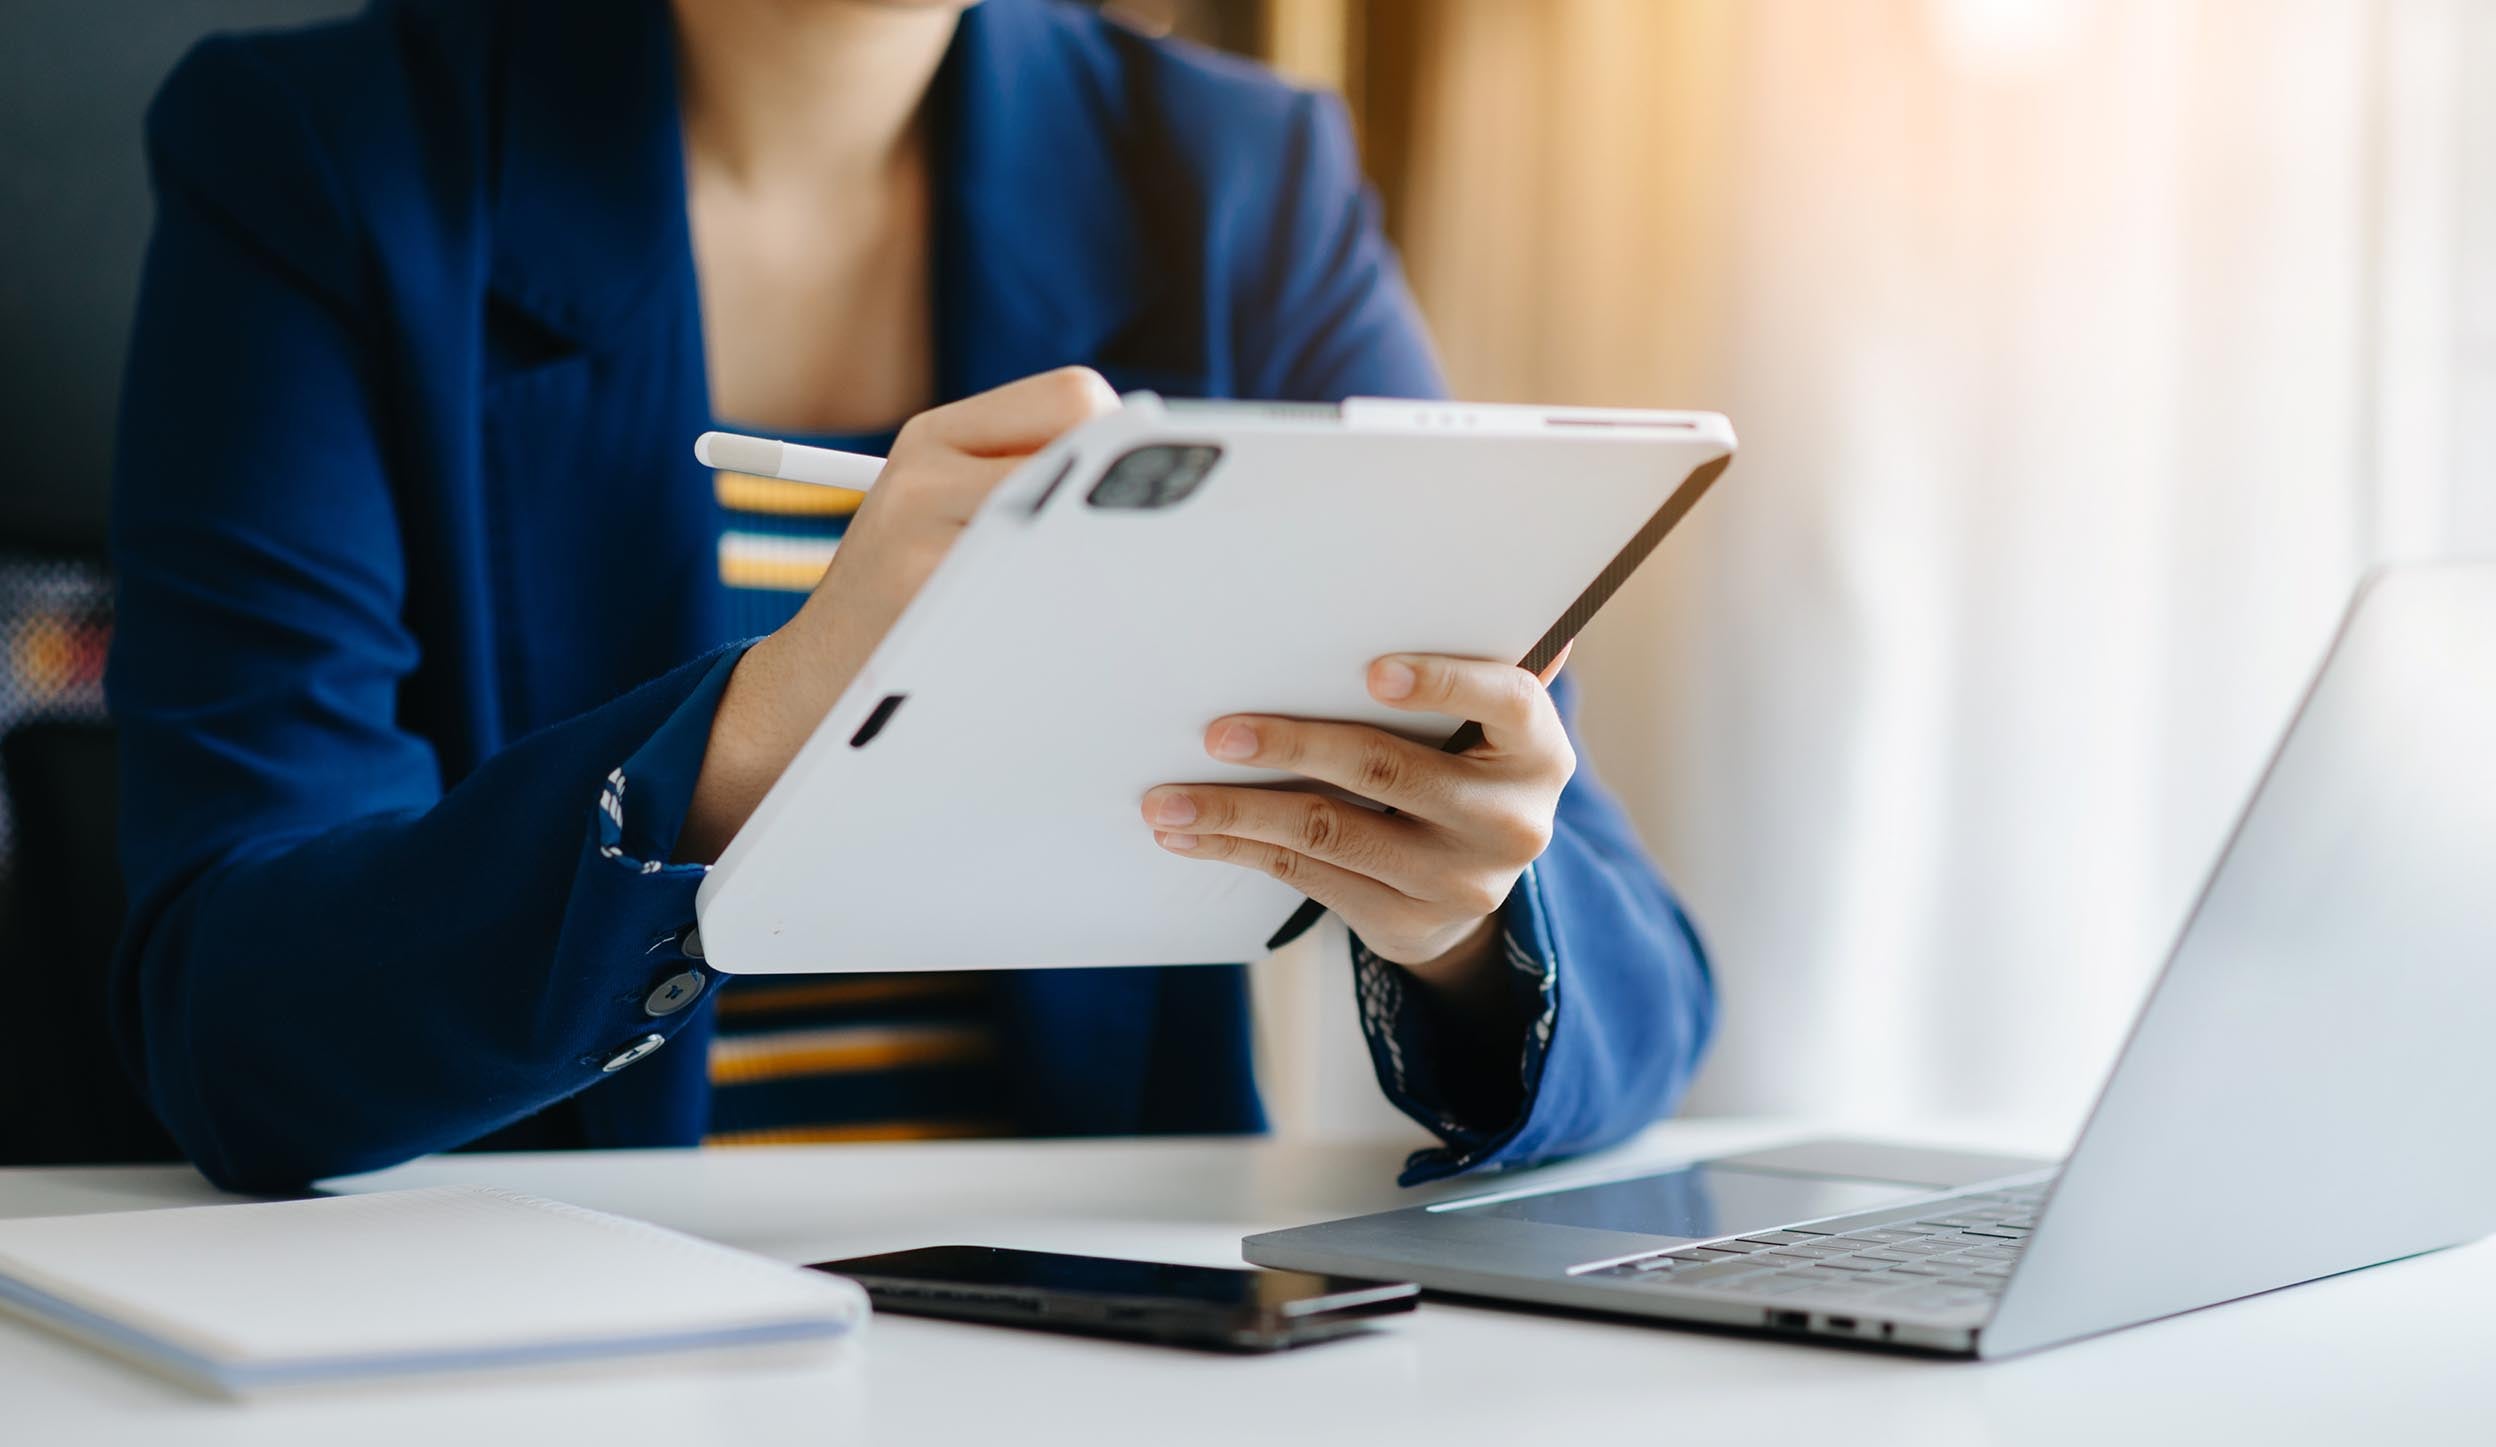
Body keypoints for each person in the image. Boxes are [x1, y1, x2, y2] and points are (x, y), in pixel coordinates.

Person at [106, 0, 1715, 1193]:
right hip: (521, 1335)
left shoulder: (1242, 185)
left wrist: (1466, 918)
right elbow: (234, 1019)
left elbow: (1640, 977)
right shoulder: (320, 159)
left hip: (1088, 1340)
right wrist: (768, 723)